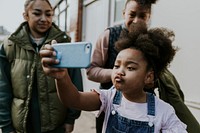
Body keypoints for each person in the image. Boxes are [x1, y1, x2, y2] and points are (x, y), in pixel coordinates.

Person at [40, 22, 187, 133]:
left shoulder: (164, 112)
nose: (119, 72)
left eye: (130, 68)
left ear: (148, 77)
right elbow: (74, 99)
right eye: (117, 66)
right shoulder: (108, 98)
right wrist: (61, 77)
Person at [86, 0, 200, 132]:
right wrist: (116, 73)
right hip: (112, 107)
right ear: (124, 13)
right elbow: (91, 71)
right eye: (132, 14)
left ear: (149, 16)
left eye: (142, 16)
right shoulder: (109, 35)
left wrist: (152, 80)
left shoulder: (152, 41)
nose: (136, 21)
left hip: (144, 112)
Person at [0, 0, 83, 132]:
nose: (44, 19)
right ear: (25, 15)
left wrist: (70, 119)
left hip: (56, 125)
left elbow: (76, 82)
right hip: (23, 125)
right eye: (37, 13)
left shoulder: (63, 43)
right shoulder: (9, 46)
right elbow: (2, 88)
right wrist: (5, 125)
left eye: (48, 14)